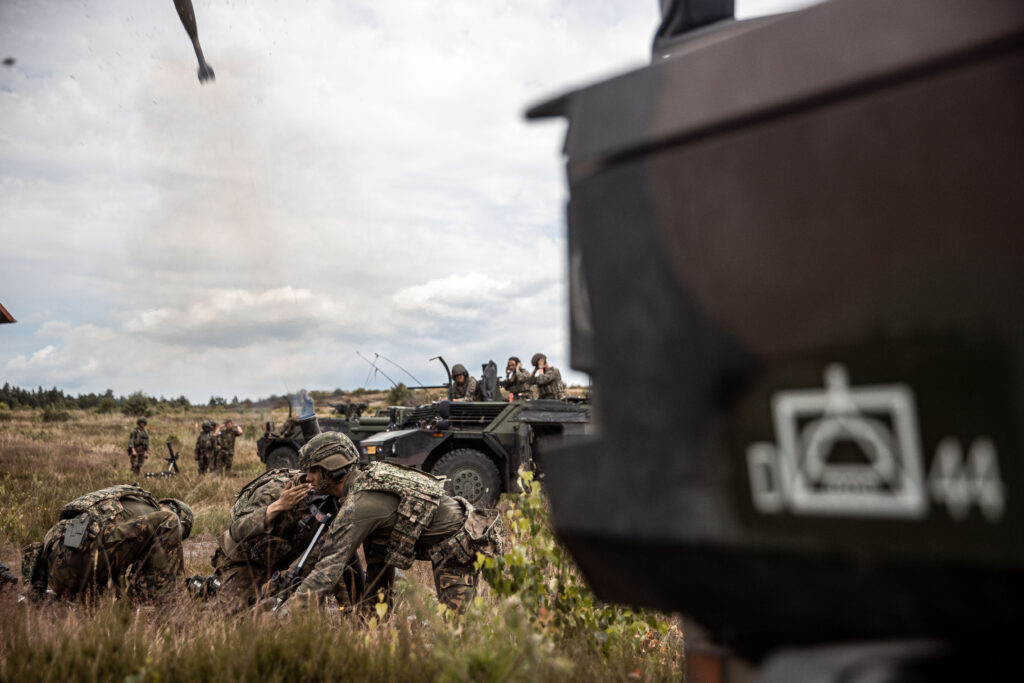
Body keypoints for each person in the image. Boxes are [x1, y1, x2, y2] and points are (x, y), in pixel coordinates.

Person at [274, 432, 503, 617]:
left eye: (313, 471)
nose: (307, 478)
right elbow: (379, 564)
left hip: (460, 542)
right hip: (457, 531)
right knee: (376, 564)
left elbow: (327, 569)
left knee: (457, 630)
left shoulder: (359, 505)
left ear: (332, 469)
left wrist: (282, 617)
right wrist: (370, 619)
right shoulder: (363, 485)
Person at [210, 468, 362, 609]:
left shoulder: (334, 502)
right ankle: (209, 585)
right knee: (235, 612)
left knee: (299, 614)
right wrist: (278, 506)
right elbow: (237, 530)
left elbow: (329, 557)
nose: (310, 478)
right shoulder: (276, 489)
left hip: (286, 562)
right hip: (247, 561)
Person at [20, 485, 192, 603]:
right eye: (181, 534)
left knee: (114, 598)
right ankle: (163, 606)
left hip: (56, 573)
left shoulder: (126, 501)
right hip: (79, 560)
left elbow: (113, 551)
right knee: (169, 520)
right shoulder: (155, 512)